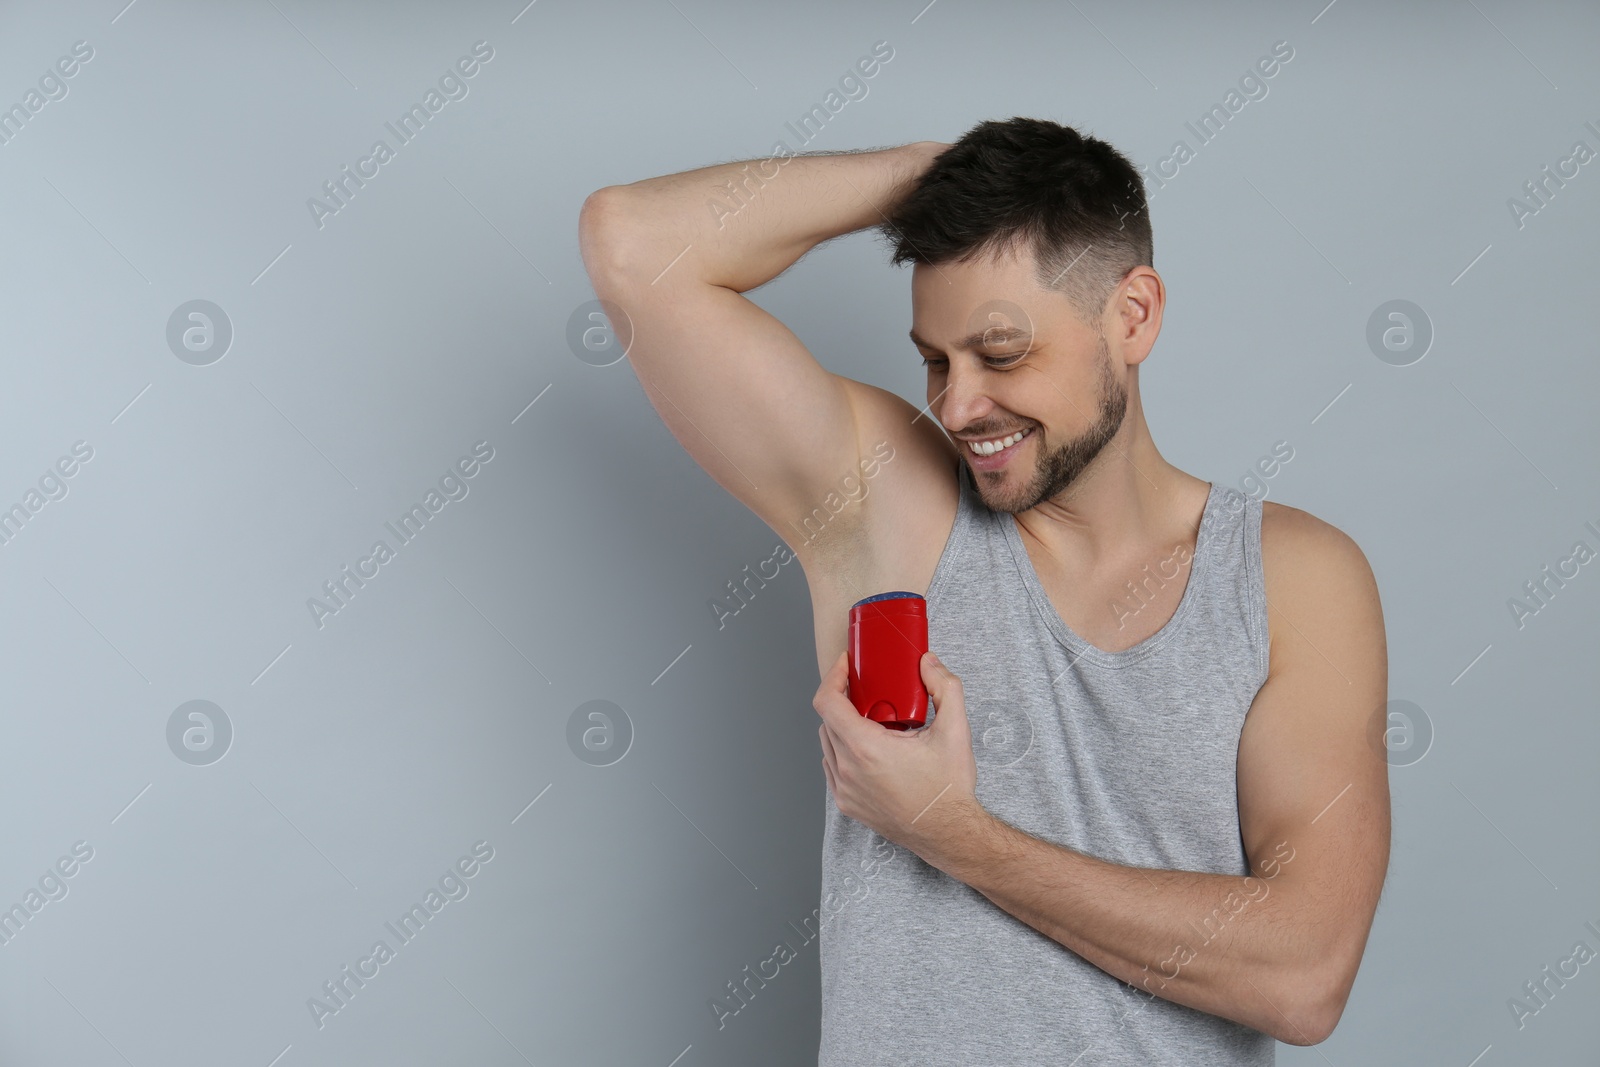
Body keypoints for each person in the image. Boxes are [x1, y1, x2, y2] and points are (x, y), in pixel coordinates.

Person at [578, 116, 1389, 1065]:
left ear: (1132, 316)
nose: (957, 405)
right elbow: (630, 244)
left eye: (1000, 354)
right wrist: (935, 172)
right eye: (936, 358)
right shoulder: (889, 508)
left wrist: (954, 834)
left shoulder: (1293, 579)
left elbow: (1304, 974)